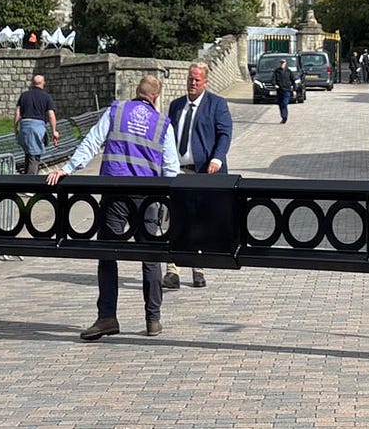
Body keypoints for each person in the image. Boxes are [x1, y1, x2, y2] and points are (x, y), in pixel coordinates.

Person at [45, 75, 180, 340]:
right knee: (150, 257)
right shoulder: (163, 123)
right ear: (155, 97)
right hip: (148, 196)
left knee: (108, 252)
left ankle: (107, 317)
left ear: (136, 92)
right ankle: (153, 319)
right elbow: (171, 168)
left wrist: (67, 168)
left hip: (114, 192)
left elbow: (92, 141)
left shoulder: (117, 110)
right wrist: (169, 201)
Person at [164, 64, 232, 291]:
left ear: (205, 82)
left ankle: (198, 267)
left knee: (199, 221)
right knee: (176, 219)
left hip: (203, 171)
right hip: (179, 172)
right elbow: (166, 136)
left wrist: (217, 158)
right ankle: (172, 271)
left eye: (197, 80)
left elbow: (224, 134)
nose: (192, 84)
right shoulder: (176, 106)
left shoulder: (217, 104)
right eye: (190, 79)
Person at [15, 74, 59, 175]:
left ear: (32, 83)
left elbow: (18, 113)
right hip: (37, 127)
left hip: (24, 126)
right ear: (43, 83)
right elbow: (51, 115)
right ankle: (30, 183)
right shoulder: (46, 97)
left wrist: (15, 129)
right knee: (34, 156)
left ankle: (27, 179)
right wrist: (54, 131)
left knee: (28, 154)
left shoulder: (24, 95)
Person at [273, 56, 296, 123]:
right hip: (279, 90)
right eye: (281, 63)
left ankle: (285, 116)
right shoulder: (276, 71)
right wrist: (275, 84)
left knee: (284, 103)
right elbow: (273, 79)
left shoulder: (289, 71)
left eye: (283, 63)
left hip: (287, 90)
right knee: (280, 104)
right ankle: (283, 117)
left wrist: (294, 90)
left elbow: (293, 81)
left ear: (285, 63)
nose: (282, 64)